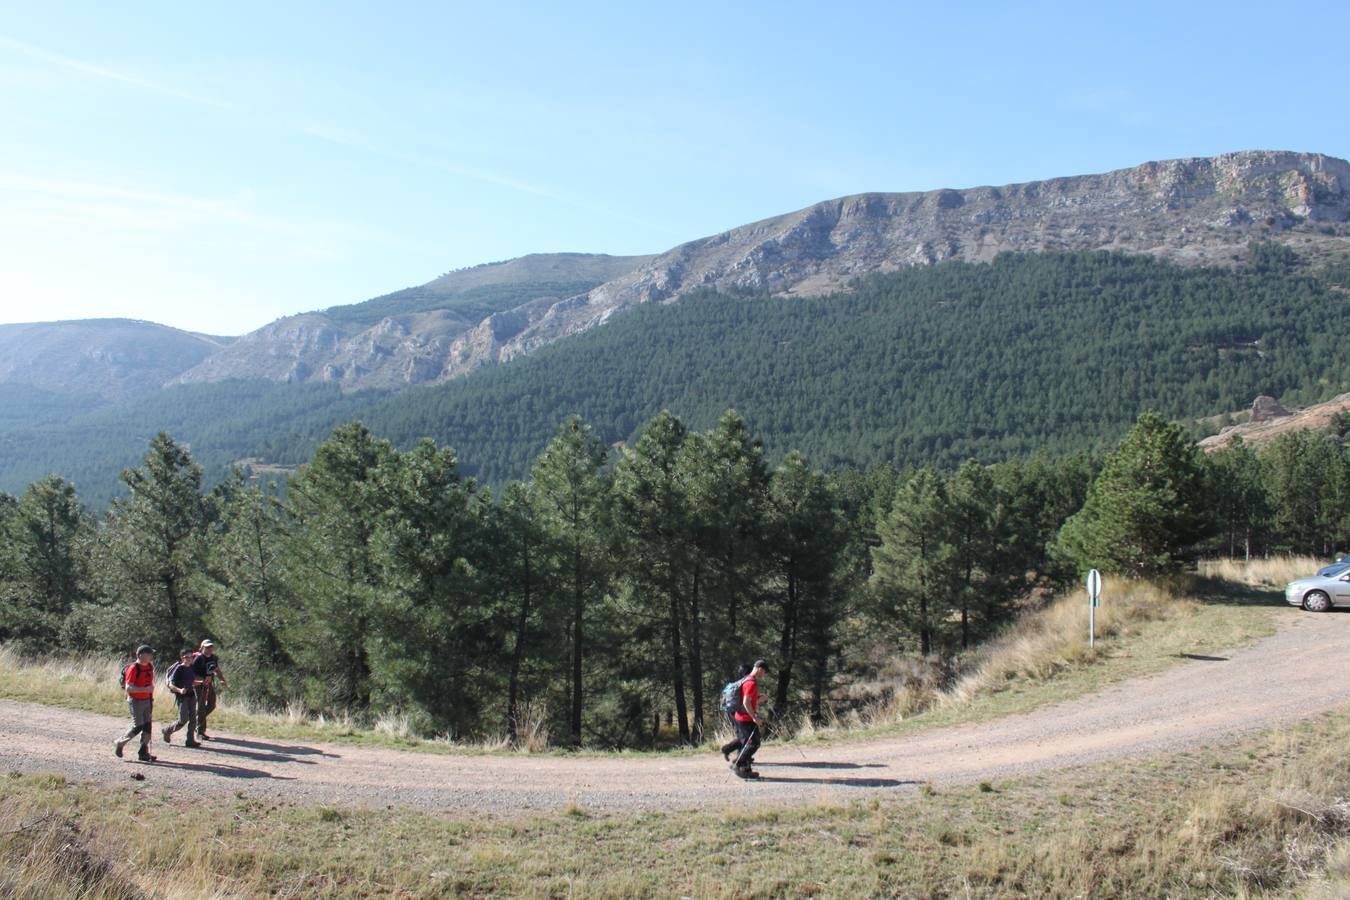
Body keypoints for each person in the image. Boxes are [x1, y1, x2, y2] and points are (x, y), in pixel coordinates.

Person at [114, 644, 157, 762]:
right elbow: (129, 688)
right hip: (135, 700)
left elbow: (150, 682)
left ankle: (143, 752)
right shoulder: (134, 668)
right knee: (138, 725)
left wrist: (150, 692)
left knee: (147, 726)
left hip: (147, 700)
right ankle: (120, 742)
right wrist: (145, 690)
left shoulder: (149, 666)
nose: (151, 656)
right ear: (141, 655)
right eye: (149, 654)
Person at [730, 658, 768, 779]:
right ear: (760, 669)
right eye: (765, 672)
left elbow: (750, 701)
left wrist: (759, 700)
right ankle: (738, 764)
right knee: (753, 744)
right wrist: (754, 717)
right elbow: (746, 703)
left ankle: (745, 770)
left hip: (742, 717)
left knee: (749, 743)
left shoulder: (747, 680)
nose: (764, 675)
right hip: (744, 718)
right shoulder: (751, 682)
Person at [161, 648, 201, 748]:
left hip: (192, 695)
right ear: (182, 658)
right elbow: (171, 684)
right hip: (182, 698)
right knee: (183, 719)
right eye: (186, 657)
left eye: (191, 657)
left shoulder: (191, 668)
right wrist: (180, 690)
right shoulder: (179, 668)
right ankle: (167, 730)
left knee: (193, 719)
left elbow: (191, 682)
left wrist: (201, 682)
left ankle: (190, 740)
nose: (189, 659)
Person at [190, 639, 228, 740]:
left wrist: (222, 680)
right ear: (202, 648)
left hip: (209, 684)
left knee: (212, 705)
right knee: (201, 707)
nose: (209, 649)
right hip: (199, 685)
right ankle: (200, 732)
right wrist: (202, 680)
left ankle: (196, 719)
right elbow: (191, 675)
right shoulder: (198, 659)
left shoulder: (214, 658)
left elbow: (216, 670)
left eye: (211, 647)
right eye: (207, 647)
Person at [720, 662, 752, 761]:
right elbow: (746, 700)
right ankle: (729, 751)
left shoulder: (736, 682)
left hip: (731, 711)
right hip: (738, 712)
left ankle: (742, 755)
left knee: (742, 735)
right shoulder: (745, 682)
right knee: (744, 736)